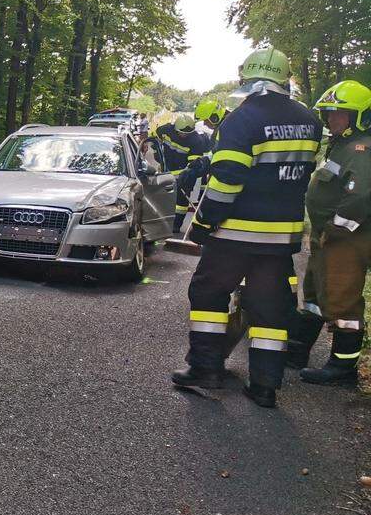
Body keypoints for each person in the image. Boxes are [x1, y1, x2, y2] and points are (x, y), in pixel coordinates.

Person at [171, 47, 322, 408]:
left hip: (235, 234)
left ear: (247, 78)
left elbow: (227, 180)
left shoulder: (242, 119)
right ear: (284, 78)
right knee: (269, 309)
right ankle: (265, 386)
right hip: (281, 235)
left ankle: (206, 369)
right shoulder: (309, 120)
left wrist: (204, 223)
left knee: (208, 294)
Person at [286, 80, 371, 384]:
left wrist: (337, 227)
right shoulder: (341, 146)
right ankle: (297, 352)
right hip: (328, 237)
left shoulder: (361, 149)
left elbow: (359, 197)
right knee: (314, 294)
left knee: (342, 301)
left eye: (339, 113)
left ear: (358, 116)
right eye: (329, 113)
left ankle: (342, 369)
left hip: (346, 239)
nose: (331, 119)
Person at [155, 114, 210, 232]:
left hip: (185, 174)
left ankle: (176, 225)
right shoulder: (165, 130)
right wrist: (156, 151)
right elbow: (156, 137)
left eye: (187, 134)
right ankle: (162, 222)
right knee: (163, 197)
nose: (184, 135)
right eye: (181, 132)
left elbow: (193, 165)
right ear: (175, 128)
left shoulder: (196, 141)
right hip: (167, 171)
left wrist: (185, 176)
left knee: (181, 201)